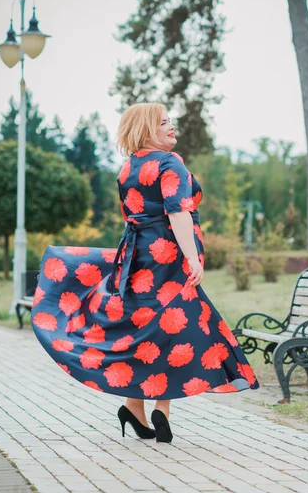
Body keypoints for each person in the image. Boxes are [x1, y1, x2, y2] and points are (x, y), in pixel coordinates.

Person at [31, 102, 259, 444]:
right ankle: (158, 410)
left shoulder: (128, 167)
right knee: (172, 329)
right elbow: (178, 213)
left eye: (170, 120)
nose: (171, 126)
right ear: (146, 130)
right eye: (163, 122)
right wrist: (193, 257)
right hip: (167, 260)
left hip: (136, 261)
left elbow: (135, 214)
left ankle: (137, 408)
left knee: (147, 330)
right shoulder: (171, 163)